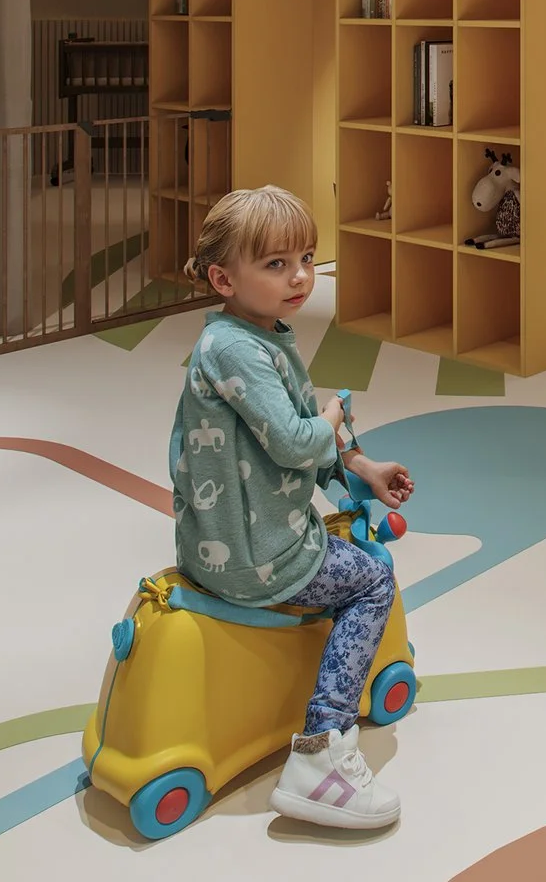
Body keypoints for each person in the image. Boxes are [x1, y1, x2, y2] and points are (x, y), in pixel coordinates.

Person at [173, 185, 416, 829]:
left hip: (236, 535)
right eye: (276, 265)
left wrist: (360, 467)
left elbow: (301, 427)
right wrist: (334, 416)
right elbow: (294, 438)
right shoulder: (233, 348)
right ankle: (322, 748)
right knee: (373, 580)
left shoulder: (256, 334)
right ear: (224, 277)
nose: (301, 277)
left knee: (351, 545)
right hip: (259, 554)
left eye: (306, 258)